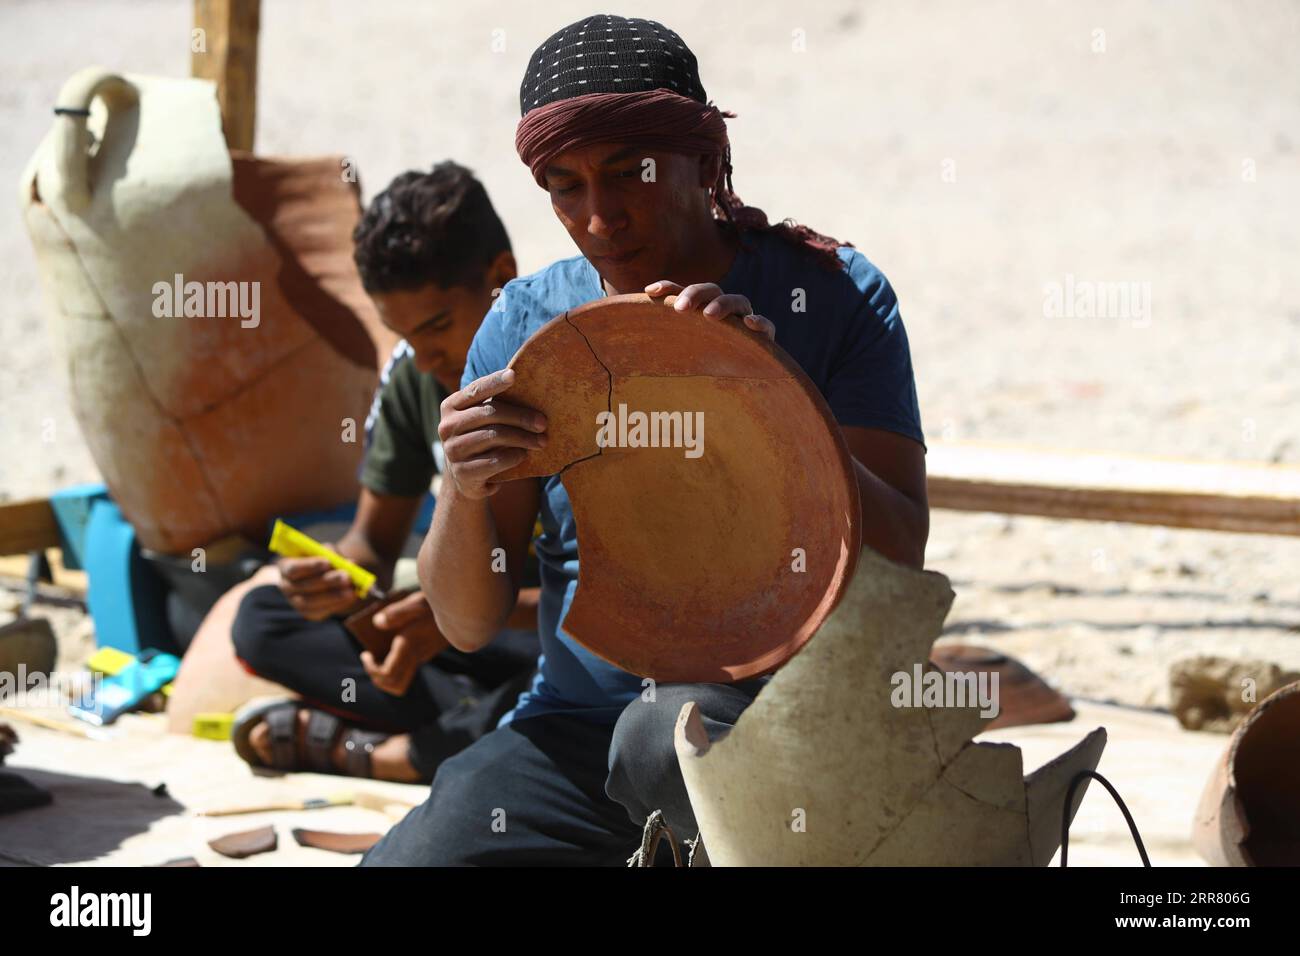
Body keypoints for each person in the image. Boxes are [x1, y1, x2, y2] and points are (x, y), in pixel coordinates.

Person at [362, 15, 928, 861]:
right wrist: (466, 483)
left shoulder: (830, 293)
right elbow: (469, 623)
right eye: (565, 186)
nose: (600, 218)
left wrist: (770, 402)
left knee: (663, 742)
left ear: (704, 160)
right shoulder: (522, 327)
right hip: (579, 728)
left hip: (784, 716)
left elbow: (900, 561)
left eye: (632, 173)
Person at [216, 161, 538, 783]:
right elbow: (371, 544)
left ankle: (377, 751)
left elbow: (607, 602)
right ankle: (474, 733)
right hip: (462, 637)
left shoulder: (575, 370)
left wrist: (461, 619)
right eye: (403, 335)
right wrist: (328, 578)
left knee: (603, 680)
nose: (426, 357)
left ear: (501, 280)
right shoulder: (417, 376)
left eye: (439, 325)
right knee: (264, 620)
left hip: (546, 629)